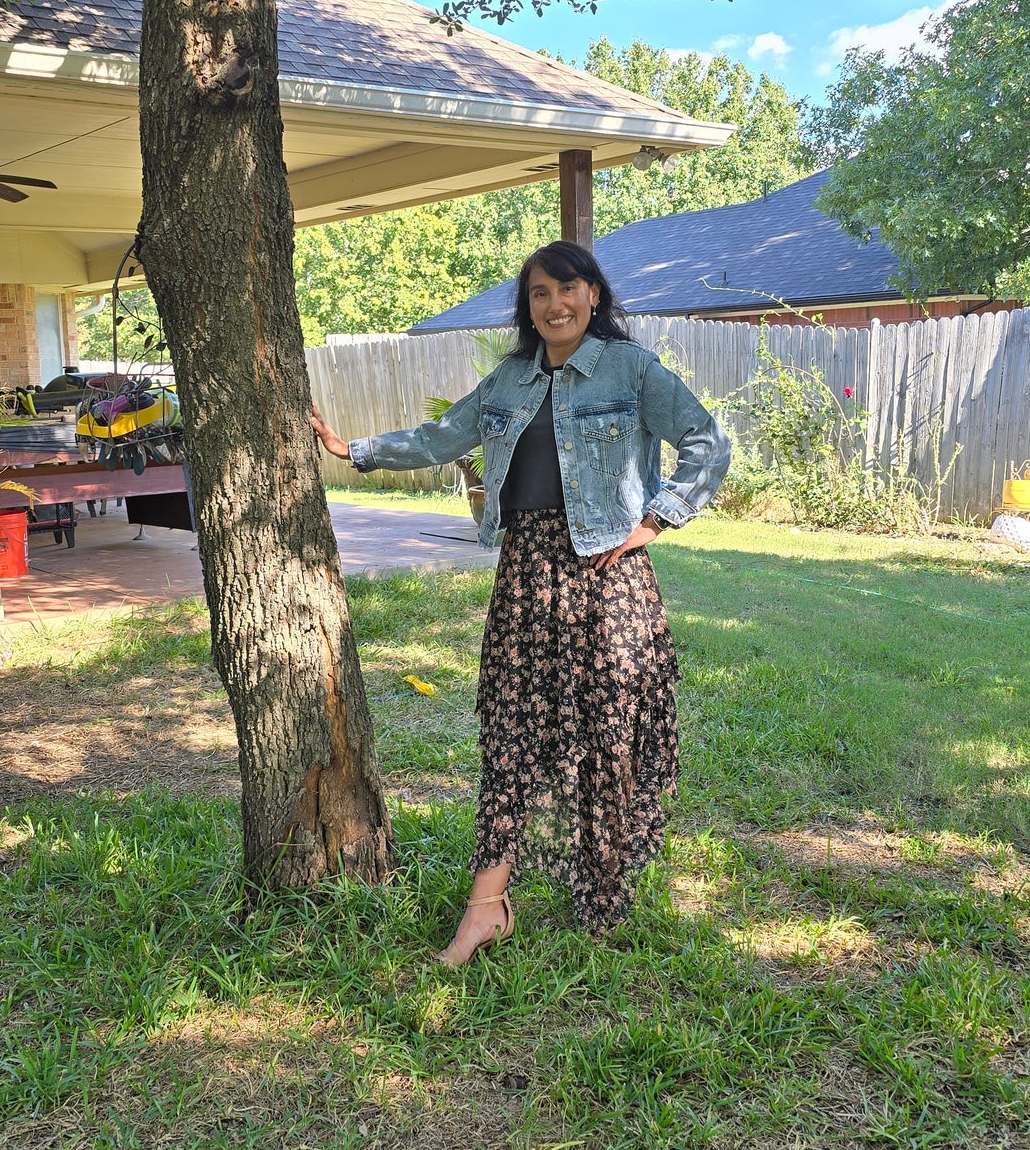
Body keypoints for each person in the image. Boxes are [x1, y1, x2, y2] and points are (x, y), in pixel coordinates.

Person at [311, 241, 730, 965]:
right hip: (525, 575)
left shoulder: (631, 371)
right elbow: (443, 436)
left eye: (567, 288)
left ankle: (601, 895)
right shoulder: (509, 379)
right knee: (509, 737)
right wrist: (356, 451)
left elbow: (706, 441)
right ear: (527, 305)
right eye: (539, 292)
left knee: (605, 736)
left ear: (593, 295)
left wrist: (656, 519)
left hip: (607, 576)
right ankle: (485, 906)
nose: (554, 304)